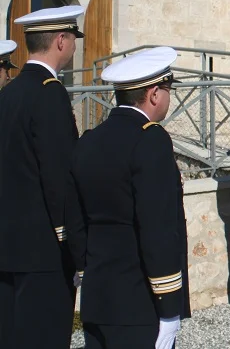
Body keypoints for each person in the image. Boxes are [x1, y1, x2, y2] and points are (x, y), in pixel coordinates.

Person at [67, 46, 190, 349]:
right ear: (154, 94)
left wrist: (84, 269)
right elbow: (158, 229)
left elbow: (74, 214)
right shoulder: (150, 139)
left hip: (98, 296)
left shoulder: (89, 140)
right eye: (167, 89)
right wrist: (169, 307)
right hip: (139, 301)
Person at [0, 6, 84, 348]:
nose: (75, 47)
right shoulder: (49, 93)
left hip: (8, 244)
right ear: (61, 41)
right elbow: (60, 178)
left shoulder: (9, 93)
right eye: (73, 39)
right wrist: (75, 246)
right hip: (43, 251)